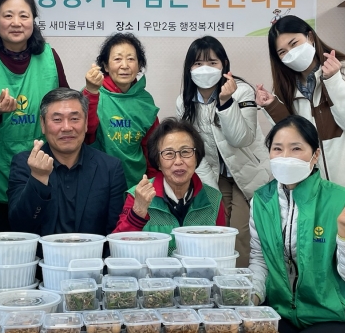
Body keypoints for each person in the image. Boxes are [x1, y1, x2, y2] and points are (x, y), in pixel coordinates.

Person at [249, 115, 345, 333]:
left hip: (341, 320)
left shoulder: (342, 201)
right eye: (277, 148)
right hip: (284, 313)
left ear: (314, 155)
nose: (285, 156)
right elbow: (259, 260)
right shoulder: (262, 200)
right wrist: (251, 298)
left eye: (296, 148)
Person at [256, 15, 345, 238]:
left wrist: (334, 79)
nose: (290, 54)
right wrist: (272, 106)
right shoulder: (286, 88)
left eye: (294, 44)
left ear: (309, 36)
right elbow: (297, 137)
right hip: (317, 189)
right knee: (322, 257)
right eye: (282, 52)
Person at [0, 0, 69, 235]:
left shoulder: (49, 56)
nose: (16, 23)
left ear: (33, 20)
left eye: (24, 15)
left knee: (39, 240)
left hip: (40, 163)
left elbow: (65, 105)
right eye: (8, 15)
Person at [177, 36, 271, 267]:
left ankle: (241, 290)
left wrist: (226, 103)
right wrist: (211, 191)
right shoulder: (184, 102)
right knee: (218, 232)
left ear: (224, 65)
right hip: (215, 177)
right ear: (189, 68)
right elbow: (192, 150)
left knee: (240, 235)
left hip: (248, 175)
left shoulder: (242, 92)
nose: (205, 69)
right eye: (198, 64)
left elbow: (241, 139)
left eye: (212, 62)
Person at [8, 88, 126, 236]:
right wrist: (38, 179)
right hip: (42, 258)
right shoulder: (25, 164)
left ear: (86, 123)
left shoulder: (110, 168)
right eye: (57, 120)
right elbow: (20, 226)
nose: (67, 127)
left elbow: (114, 233)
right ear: (43, 124)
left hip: (91, 257)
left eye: (74, 119)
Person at [113, 118, 226, 254]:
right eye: (168, 154)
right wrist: (138, 212)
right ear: (158, 162)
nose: (178, 161)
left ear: (197, 157)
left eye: (185, 152)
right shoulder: (137, 196)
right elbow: (118, 250)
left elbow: (222, 251)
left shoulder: (213, 199)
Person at [84, 32, 160, 189]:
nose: (124, 65)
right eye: (117, 59)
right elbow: (86, 131)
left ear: (139, 65)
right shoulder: (93, 93)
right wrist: (90, 93)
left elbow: (151, 148)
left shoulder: (145, 101)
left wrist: (154, 183)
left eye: (131, 59)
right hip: (96, 182)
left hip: (136, 184)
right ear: (105, 65)